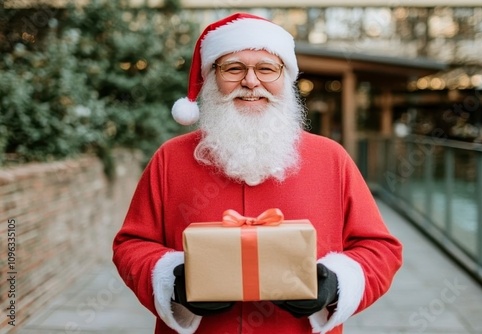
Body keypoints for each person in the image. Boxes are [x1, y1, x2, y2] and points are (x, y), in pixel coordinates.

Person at [112, 12, 402, 334]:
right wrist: (172, 281)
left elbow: (381, 250)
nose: (251, 82)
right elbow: (131, 244)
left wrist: (336, 284)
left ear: (285, 78)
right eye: (234, 68)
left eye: (266, 69)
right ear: (211, 78)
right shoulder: (170, 158)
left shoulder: (331, 157)